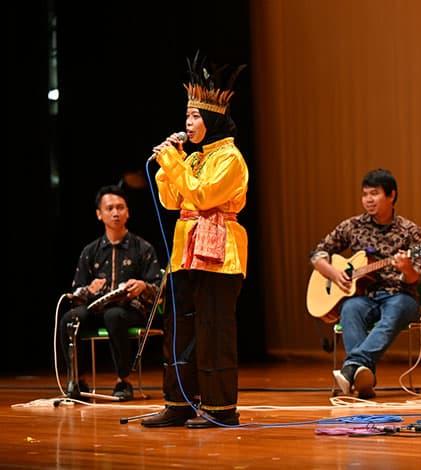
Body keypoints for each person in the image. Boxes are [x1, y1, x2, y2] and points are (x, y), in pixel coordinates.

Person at [141, 54, 248, 429]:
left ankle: (220, 408)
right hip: (185, 254)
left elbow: (203, 198)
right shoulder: (197, 158)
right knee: (179, 329)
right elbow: (174, 201)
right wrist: (171, 164)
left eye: (195, 118)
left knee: (213, 331)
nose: (188, 124)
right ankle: (179, 402)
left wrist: (174, 162)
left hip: (220, 257)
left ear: (214, 120)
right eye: (186, 117)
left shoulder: (230, 158)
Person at [311, 169, 421, 399]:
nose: (368, 200)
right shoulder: (352, 226)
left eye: (374, 193)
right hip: (365, 297)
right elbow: (317, 255)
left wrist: (406, 268)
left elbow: (416, 278)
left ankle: (351, 367)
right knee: (350, 308)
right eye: (365, 195)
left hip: (400, 296)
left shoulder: (410, 231)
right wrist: (333, 274)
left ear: (391, 195)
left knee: (397, 309)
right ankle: (364, 376)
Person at [61, 185, 162, 401]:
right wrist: (89, 290)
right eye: (109, 208)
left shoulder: (143, 248)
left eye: (120, 207)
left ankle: (123, 381)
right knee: (71, 318)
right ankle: (77, 380)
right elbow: (75, 293)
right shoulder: (91, 251)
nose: (115, 213)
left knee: (114, 315)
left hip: (129, 310)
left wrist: (143, 287)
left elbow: (159, 288)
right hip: (98, 308)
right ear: (99, 214)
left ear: (128, 212)